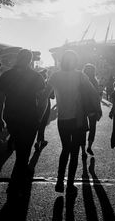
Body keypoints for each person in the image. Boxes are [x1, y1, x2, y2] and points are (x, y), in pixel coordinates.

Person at [43, 50, 101, 195]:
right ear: (75, 61)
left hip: (62, 119)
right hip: (78, 119)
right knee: (74, 152)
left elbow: (44, 95)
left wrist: (40, 115)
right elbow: (93, 92)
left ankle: (59, 180)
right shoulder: (80, 75)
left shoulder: (55, 76)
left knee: (65, 149)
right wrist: (97, 109)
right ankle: (69, 184)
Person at [0, 49, 45, 198]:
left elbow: (0, 100)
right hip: (30, 117)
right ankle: (16, 184)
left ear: (18, 58)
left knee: (19, 148)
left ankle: (16, 183)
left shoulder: (6, 75)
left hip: (11, 116)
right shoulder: (36, 76)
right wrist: (40, 118)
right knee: (24, 151)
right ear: (30, 60)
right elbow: (43, 101)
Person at [81, 63, 101, 156]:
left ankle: (83, 149)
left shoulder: (80, 81)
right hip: (92, 108)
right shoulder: (94, 81)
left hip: (82, 108)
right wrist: (99, 109)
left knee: (82, 129)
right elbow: (96, 97)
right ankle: (89, 146)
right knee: (93, 127)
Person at [34, 69, 51, 151]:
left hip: (35, 105)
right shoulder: (47, 85)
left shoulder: (34, 85)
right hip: (46, 105)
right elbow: (52, 96)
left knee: (37, 123)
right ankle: (39, 141)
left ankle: (40, 140)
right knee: (43, 124)